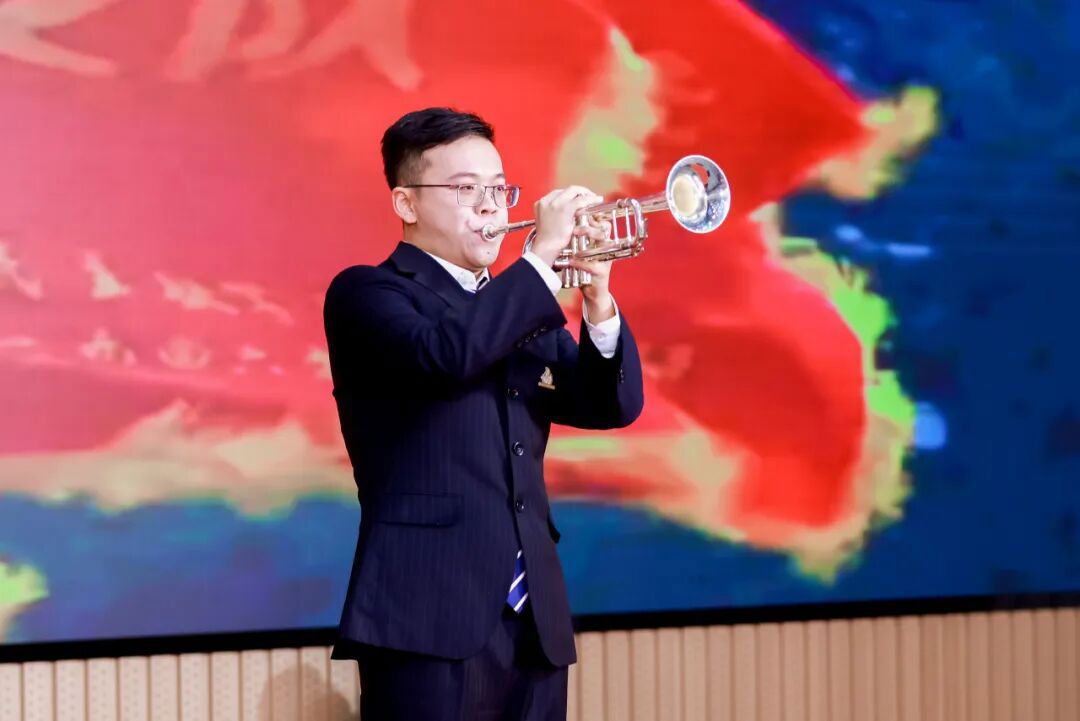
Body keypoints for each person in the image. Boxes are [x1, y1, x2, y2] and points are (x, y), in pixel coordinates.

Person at [323, 106, 644, 721]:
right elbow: (445, 355)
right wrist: (539, 261)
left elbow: (610, 405)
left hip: (534, 618)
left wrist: (598, 300)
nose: (490, 208)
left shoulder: (516, 305)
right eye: (466, 190)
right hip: (425, 613)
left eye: (498, 189)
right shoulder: (368, 292)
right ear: (406, 203)